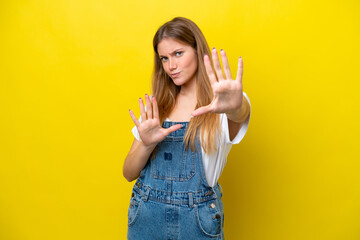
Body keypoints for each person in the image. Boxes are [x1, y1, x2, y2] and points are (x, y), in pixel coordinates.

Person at [123, 16, 251, 239]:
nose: (171, 66)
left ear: (197, 50)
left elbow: (240, 113)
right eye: (164, 58)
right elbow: (128, 173)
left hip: (197, 223)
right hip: (146, 219)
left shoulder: (222, 105)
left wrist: (235, 107)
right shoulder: (157, 108)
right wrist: (147, 143)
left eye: (178, 54)